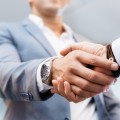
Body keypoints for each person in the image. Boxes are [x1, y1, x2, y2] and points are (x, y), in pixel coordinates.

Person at [0, 0, 119, 120]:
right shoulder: (6, 31)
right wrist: (50, 70)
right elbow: (4, 75)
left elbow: (107, 99)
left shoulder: (84, 41)